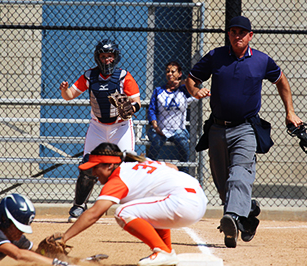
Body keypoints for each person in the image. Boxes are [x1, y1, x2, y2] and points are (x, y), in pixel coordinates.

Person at [185, 16, 303, 248]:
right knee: (223, 186)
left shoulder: (261, 60)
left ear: (250, 35)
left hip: (245, 128)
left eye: (242, 32)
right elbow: (191, 79)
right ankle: (246, 215)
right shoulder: (215, 56)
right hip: (217, 129)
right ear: (228, 35)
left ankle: (231, 219)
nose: (237, 35)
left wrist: (290, 111)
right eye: (233, 31)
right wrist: (194, 90)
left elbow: (281, 81)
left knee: (240, 173)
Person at [55, 142, 208, 266]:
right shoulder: (140, 165)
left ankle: (163, 252)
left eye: (96, 167)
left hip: (183, 202)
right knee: (145, 209)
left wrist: (64, 237)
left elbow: (94, 214)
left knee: (123, 212)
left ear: (109, 166)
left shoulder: (118, 178)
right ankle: (166, 251)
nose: (93, 172)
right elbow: (173, 168)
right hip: (197, 199)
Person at [59, 39, 142, 222]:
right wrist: (64, 91)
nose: (106, 60)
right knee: (88, 164)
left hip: (120, 127)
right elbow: (70, 96)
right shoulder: (89, 76)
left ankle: (133, 207)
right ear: (98, 58)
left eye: (110, 56)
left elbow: (137, 102)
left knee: (128, 165)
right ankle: (79, 205)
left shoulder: (123, 76)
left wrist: (130, 109)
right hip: (97, 126)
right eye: (103, 56)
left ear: (116, 57)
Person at [147, 61, 197, 173]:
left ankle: (183, 170)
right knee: (156, 141)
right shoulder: (158, 91)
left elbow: (191, 84)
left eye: (173, 71)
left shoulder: (184, 90)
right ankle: (148, 168)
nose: (170, 74)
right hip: (160, 128)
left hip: (178, 130)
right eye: (167, 71)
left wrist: (180, 83)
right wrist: (155, 126)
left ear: (179, 74)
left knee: (182, 141)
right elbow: (152, 109)